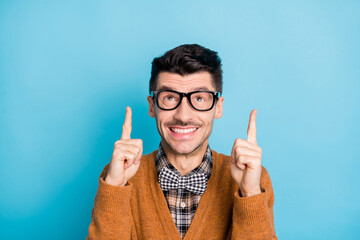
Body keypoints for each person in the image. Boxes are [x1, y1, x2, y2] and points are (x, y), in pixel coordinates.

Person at [86, 44, 277, 240]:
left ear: (218, 108)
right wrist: (115, 188)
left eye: (200, 99)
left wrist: (250, 194)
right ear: (152, 107)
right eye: (169, 97)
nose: (183, 116)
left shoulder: (254, 179)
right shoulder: (117, 176)